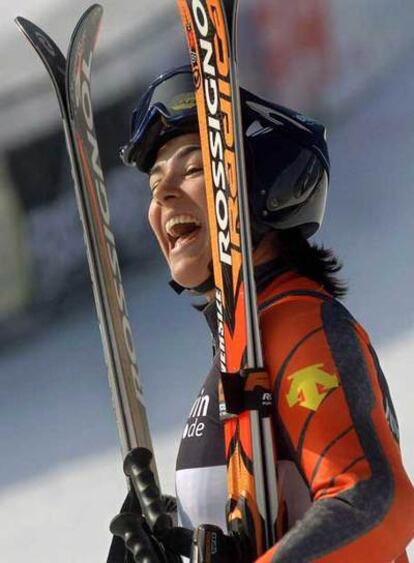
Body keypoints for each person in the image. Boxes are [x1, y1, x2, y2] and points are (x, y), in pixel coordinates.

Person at [108, 66, 414, 562]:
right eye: (154, 184)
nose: (162, 195)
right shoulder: (234, 356)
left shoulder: (299, 324)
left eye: (190, 170)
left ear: (256, 186)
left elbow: (373, 502)